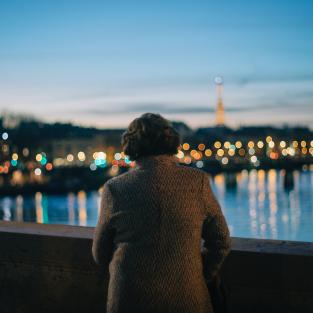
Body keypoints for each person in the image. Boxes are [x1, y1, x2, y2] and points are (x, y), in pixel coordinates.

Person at [92, 113, 231, 313]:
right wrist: (198, 274)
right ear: (171, 141)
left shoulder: (115, 189)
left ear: (130, 145)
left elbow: (100, 253)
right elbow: (221, 240)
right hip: (187, 298)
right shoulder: (197, 181)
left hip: (130, 299)